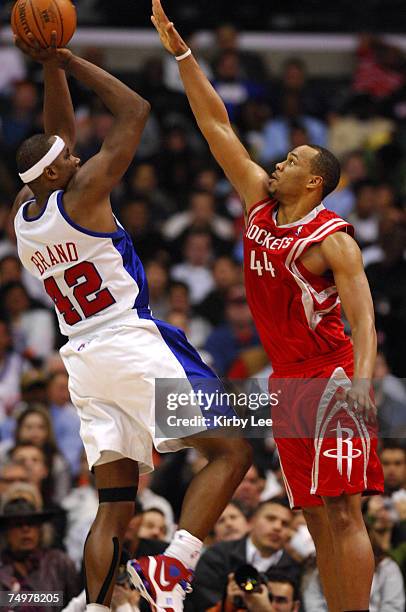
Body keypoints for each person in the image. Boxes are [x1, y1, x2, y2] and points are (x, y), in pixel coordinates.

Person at [151, 3, 384, 611]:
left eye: (289, 164)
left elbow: (363, 318)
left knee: (344, 508)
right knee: (310, 512)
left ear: (313, 183)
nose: (276, 165)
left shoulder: (331, 238)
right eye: (281, 161)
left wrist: (360, 386)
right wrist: (182, 55)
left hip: (329, 376)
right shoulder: (259, 204)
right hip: (286, 382)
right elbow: (215, 125)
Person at [12, 33, 252, 612]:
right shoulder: (88, 191)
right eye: (68, 159)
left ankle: (95, 608)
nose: (77, 155)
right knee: (233, 450)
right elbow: (136, 110)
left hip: (84, 363)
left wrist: (49, 70)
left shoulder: (24, 217)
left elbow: (57, 138)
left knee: (114, 504)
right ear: (55, 176)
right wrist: (69, 60)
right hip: (128, 343)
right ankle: (175, 566)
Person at [187, 500, 301, 611]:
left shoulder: (295, 569)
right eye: (270, 519)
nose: (277, 527)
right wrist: (228, 603)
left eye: (285, 524)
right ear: (251, 522)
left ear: (290, 533)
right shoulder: (219, 554)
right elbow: (201, 601)